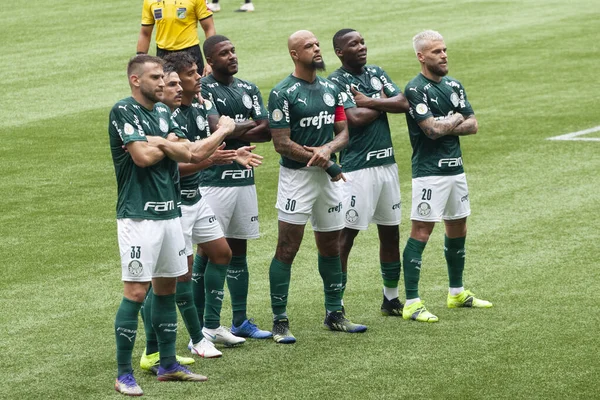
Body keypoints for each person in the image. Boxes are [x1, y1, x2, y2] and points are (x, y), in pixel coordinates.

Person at [109, 55, 235, 395]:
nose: (163, 84)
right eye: (155, 78)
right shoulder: (123, 111)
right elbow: (142, 157)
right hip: (138, 217)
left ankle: (167, 364)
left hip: (171, 215)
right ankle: (123, 374)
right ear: (136, 80)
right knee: (136, 292)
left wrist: (162, 142)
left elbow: (189, 154)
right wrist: (169, 145)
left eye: (163, 78)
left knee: (166, 289)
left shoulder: (164, 112)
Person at [267, 30, 367, 344]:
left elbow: (343, 134)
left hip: (327, 180)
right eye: (309, 46)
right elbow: (281, 144)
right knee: (287, 247)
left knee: (331, 245)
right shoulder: (282, 92)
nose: (316, 49)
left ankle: (334, 313)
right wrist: (323, 157)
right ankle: (280, 321)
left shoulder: (331, 88)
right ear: (295, 54)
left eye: (317, 44)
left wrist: (328, 150)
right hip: (297, 179)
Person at [402, 30, 492, 323]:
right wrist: (455, 118)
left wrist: (448, 122)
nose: (444, 55)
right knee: (422, 232)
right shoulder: (415, 89)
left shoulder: (454, 85)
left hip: (456, 171)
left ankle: (456, 292)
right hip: (429, 174)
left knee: (458, 228)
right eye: (436, 52)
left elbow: (474, 125)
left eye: (444, 50)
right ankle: (412, 302)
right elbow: (431, 130)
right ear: (421, 56)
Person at [329, 29, 410, 317]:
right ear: (340, 52)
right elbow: (355, 118)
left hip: (387, 165)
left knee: (391, 233)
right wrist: (381, 101)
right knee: (345, 236)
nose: (362, 47)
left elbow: (402, 102)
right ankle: (335, 305)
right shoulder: (335, 81)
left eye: (363, 42)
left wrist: (370, 100)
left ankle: (391, 299)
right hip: (357, 170)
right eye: (354, 44)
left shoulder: (376, 72)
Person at [199, 35, 272, 340]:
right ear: (210, 61)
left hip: (245, 179)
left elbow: (267, 129)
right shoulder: (203, 88)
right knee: (209, 253)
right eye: (224, 53)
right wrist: (239, 127)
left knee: (239, 249)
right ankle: (203, 325)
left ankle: (240, 320)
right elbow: (217, 129)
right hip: (214, 183)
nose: (231, 56)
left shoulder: (248, 88)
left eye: (233, 51)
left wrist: (232, 127)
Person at [136, 0, 216, 76]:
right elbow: (145, 33)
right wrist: (139, 62)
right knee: (165, 89)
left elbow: (209, 28)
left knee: (195, 89)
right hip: (163, 55)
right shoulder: (149, 1)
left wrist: (210, 62)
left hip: (190, 53)